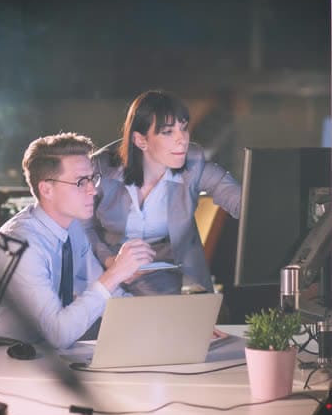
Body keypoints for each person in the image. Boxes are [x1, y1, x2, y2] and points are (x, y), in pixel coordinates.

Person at [0, 133, 155, 349]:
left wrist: (154, 320)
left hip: (39, 351)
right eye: (81, 182)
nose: (93, 190)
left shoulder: (72, 228)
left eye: (92, 178)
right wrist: (116, 273)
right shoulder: (21, 245)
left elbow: (104, 291)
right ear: (46, 189)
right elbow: (58, 334)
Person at [83, 90, 241, 296]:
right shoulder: (101, 167)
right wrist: (110, 262)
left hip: (159, 275)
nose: (182, 139)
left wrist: (261, 210)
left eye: (183, 128)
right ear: (140, 140)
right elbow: (82, 225)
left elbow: (238, 199)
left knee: (163, 310)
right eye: (168, 132)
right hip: (100, 268)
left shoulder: (192, 164)